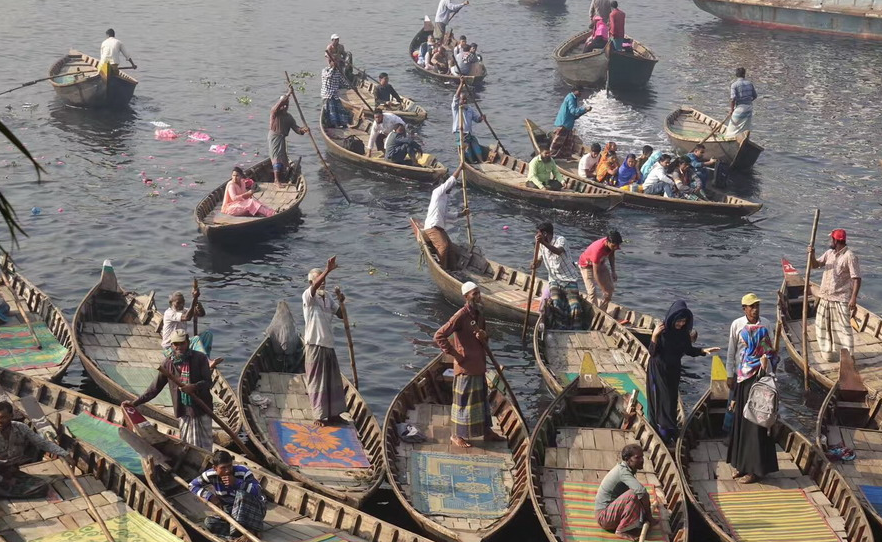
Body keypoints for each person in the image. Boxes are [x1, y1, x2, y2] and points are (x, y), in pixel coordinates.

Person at [434, 282, 505, 448]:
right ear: (466, 297)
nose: (478, 296)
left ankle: (487, 432)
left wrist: (483, 335)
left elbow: (484, 337)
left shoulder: (479, 313)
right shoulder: (460, 315)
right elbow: (439, 336)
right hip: (465, 367)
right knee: (463, 403)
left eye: (479, 293)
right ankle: (456, 435)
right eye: (474, 294)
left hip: (479, 364)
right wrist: (457, 355)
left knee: (481, 402)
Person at [123, 329, 214, 450]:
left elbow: (208, 382)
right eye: (176, 344)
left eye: (182, 343)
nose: (179, 347)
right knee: (189, 445)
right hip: (184, 410)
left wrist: (194, 387)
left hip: (202, 407)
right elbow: (155, 388)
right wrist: (135, 403)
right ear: (171, 345)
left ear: (187, 343)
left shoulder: (199, 358)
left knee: (206, 444)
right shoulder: (168, 364)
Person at [647, 301, 719, 445]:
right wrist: (654, 336)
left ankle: (670, 428)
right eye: (678, 321)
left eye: (683, 321)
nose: (680, 324)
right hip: (659, 370)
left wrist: (703, 351)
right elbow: (652, 352)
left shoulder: (683, 334)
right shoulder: (662, 332)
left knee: (672, 398)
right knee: (662, 398)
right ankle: (662, 430)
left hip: (674, 370)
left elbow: (688, 350)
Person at [726, 293, 779, 484]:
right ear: (744, 309)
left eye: (757, 306)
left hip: (759, 379)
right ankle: (741, 465)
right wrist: (730, 374)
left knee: (756, 424)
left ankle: (755, 470)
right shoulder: (737, 325)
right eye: (751, 306)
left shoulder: (765, 325)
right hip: (742, 378)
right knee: (742, 422)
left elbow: (772, 353)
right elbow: (732, 351)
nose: (755, 310)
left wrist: (767, 366)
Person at [302, 257, 347, 427]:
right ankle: (319, 416)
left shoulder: (327, 297)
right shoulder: (308, 296)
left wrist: (342, 302)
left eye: (324, 281)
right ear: (311, 282)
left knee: (333, 381)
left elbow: (340, 314)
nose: (322, 284)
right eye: (320, 281)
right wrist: (327, 270)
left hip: (328, 344)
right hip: (315, 344)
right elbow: (314, 288)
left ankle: (334, 414)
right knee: (317, 381)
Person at [808, 229, 861, 362]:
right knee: (822, 326)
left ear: (836, 240)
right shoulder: (829, 253)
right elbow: (815, 265)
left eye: (832, 239)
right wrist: (812, 255)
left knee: (844, 329)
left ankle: (849, 358)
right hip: (826, 297)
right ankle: (829, 354)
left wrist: (853, 298)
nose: (830, 241)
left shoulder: (849, 256)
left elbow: (856, 279)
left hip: (840, 298)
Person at [190, 450, 267, 538]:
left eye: (230, 466)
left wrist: (237, 482)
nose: (227, 471)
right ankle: (242, 533)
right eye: (223, 468)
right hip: (231, 512)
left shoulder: (243, 471)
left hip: (254, 510)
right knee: (209, 522)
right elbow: (192, 485)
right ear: (215, 468)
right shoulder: (210, 475)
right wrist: (210, 497)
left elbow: (258, 491)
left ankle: (249, 530)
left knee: (241, 495)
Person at [595, 444, 657, 541]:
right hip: (604, 517)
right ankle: (621, 530)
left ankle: (628, 523)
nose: (642, 460)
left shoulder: (627, 469)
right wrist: (649, 516)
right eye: (637, 457)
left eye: (642, 457)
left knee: (639, 497)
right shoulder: (622, 472)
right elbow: (642, 492)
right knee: (635, 493)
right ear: (628, 459)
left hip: (611, 513)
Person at [534, 223, 583, 329]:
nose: (536, 235)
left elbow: (558, 251)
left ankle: (575, 328)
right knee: (556, 304)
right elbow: (539, 261)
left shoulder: (561, 240)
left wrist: (543, 242)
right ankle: (559, 328)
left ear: (545, 234)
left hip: (569, 279)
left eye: (538, 233)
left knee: (575, 306)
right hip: (554, 280)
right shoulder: (541, 245)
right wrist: (534, 264)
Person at [423, 164, 468, 270]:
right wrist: (460, 167)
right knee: (443, 246)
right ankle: (441, 268)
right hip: (432, 227)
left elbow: (446, 215)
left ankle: (453, 269)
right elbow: (451, 181)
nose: (451, 189)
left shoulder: (445, 198)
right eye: (450, 187)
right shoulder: (437, 193)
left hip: (439, 228)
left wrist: (461, 214)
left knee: (451, 249)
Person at [268, 91, 309, 185]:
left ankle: (282, 176)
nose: (285, 107)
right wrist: (288, 94)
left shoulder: (289, 117)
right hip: (274, 138)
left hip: (282, 139)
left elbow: (296, 129)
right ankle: (276, 180)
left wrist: (303, 130)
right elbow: (276, 107)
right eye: (283, 105)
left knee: (283, 159)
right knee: (276, 157)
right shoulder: (275, 113)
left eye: (287, 105)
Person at [578, 231, 622, 311]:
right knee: (592, 292)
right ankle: (592, 312)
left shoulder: (613, 245)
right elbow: (596, 273)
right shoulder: (597, 250)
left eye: (617, 246)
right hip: (586, 266)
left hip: (600, 263)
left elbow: (611, 255)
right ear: (607, 242)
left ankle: (602, 310)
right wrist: (603, 289)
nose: (616, 247)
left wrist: (613, 271)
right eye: (614, 246)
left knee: (610, 289)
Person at [162, 288, 212, 356]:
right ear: (171, 303)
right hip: (171, 347)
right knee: (196, 339)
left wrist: (199, 307)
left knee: (207, 334)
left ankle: (205, 357)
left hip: (182, 344)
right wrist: (194, 298)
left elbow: (201, 314)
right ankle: (205, 359)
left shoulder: (184, 310)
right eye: (178, 303)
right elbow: (187, 317)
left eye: (183, 302)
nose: (181, 305)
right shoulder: (169, 313)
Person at [452, 79, 488, 164]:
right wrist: (461, 84)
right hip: (460, 132)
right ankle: (471, 162)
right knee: (466, 146)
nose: (464, 101)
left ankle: (481, 161)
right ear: (460, 100)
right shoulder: (456, 108)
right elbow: (456, 97)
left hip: (468, 133)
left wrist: (482, 118)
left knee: (475, 144)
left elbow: (477, 119)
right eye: (463, 99)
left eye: (465, 99)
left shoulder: (469, 109)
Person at [550, 88, 590, 159]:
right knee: (557, 143)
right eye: (580, 91)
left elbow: (574, 115)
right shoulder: (570, 98)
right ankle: (550, 157)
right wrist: (584, 109)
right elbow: (573, 111)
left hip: (568, 125)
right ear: (575, 90)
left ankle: (565, 157)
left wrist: (585, 111)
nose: (581, 93)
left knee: (568, 144)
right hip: (564, 124)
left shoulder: (574, 98)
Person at [726, 67, 758, 137]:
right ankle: (742, 138)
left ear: (736, 75)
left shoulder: (734, 85)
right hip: (749, 108)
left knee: (732, 127)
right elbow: (755, 96)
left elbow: (733, 99)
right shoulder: (749, 83)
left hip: (740, 108)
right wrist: (747, 101)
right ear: (744, 74)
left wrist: (732, 110)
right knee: (745, 127)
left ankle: (730, 138)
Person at [321, 63, 350, 129]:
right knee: (331, 110)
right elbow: (328, 76)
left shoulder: (338, 72)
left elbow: (344, 82)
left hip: (335, 95)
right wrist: (333, 68)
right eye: (335, 62)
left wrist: (351, 86)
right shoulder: (325, 70)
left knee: (341, 109)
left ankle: (343, 124)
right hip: (327, 95)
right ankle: (334, 125)